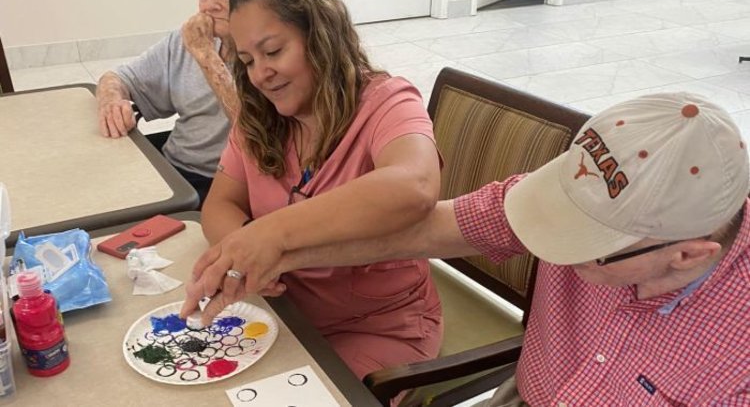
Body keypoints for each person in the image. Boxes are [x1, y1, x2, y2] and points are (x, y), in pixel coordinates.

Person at [190, 92, 750, 406]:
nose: (554, 245)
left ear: (688, 255)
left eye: (584, 245)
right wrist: (277, 248)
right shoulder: (593, 199)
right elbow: (425, 230)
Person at [180, 0, 444, 383]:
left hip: (376, 329)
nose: (261, 74)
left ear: (320, 35)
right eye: (247, 60)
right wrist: (248, 256)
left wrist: (271, 236)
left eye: (273, 51)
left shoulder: (387, 102)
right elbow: (219, 204)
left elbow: (415, 186)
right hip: (284, 315)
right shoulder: (259, 116)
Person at [96, 0, 254, 205]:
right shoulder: (186, 40)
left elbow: (252, 132)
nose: (209, 5)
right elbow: (117, 78)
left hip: (226, 183)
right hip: (174, 168)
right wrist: (111, 101)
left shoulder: (264, 52)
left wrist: (205, 56)